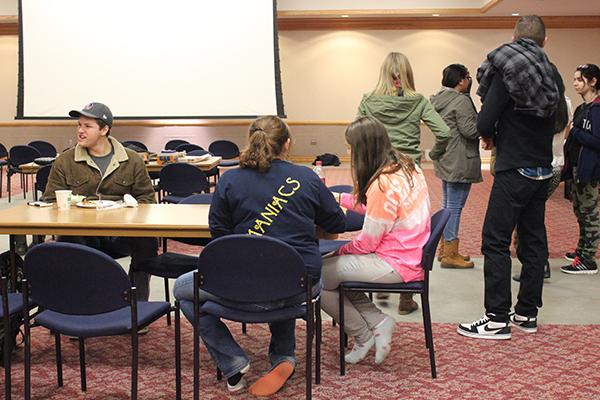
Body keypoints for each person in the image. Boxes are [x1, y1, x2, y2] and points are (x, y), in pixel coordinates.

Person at [173, 116, 346, 396]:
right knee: (285, 268)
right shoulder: (306, 177)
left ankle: (233, 361)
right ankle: (283, 356)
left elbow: (220, 236)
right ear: (287, 144)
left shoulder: (230, 180)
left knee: (182, 290)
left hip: (239, 288)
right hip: (297, 289)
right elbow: (337, 223)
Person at [458, 15, 567, 339]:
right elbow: (560, 120)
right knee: (533, 241)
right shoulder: (552, 75)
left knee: (495, 240)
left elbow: (484, 122)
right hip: (543, 169)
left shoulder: (508, 72)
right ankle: (527, 313)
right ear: (544, 42)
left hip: (514, 168)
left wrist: (491, 135)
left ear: (514, 37)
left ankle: (496, 318)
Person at [320, 116, 431, 365]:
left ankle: (362, 334)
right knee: (334, 276)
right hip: (411, 253)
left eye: (350, 147)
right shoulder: (406, 166)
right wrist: (339, 198)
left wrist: (338, 252)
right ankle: (379, 322)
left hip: (395, 263)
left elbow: (366, 243)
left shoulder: (381, 184)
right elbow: (381, 210)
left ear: (363, 149)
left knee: (317, 276)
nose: (348, 151)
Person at [356, 51, 449, 314]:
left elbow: (354, 132)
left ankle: (380, 275)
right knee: (408, 228)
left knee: (377, 223)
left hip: (377, 172)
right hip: (409, 172)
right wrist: (435, 155)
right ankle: (406, 296)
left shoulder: (369, 100)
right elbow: (443, 132)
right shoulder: (418, 101)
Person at [42, 102, 158, 301]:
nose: (80, 131)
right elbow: (51, 201)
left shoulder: (132, 160)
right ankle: (79, 305)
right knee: (68, 241)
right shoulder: (65, 160)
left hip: (122, 235)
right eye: (79, 125)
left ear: (104, 129)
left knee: (147, 242)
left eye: (87, 126)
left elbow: (147, 200)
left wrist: (127, 209)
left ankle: (137, 306)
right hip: (82, 234)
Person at [430, 64, 481, 269]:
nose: (469, 81)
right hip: (461, 157)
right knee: (454, 207)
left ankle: (445, 250)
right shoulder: (461, 100)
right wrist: (486, 124)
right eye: (468, 77)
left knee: (447, 204)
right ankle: (450, 253)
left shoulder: (438, 98)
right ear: (461, 81)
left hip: (447, 156)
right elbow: (469, 131)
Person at [560, 64, 600, 275]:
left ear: (592, 81)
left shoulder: (597, 109)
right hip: (577, 167)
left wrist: (575, 132)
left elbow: (597, 140)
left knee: (589, 212)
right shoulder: (582, 108)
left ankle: (589, 259)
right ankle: (582, 251)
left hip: (590, 168)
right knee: (580, 210)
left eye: (579, 79)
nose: (575, 83)